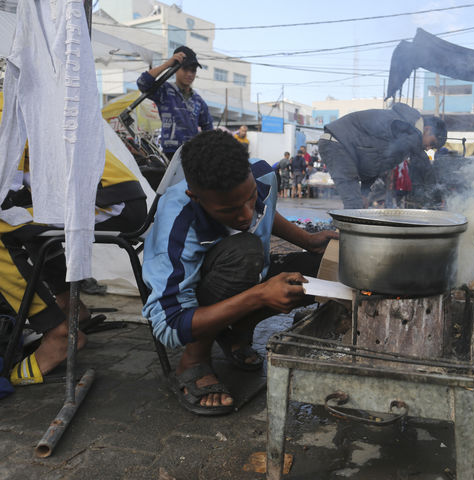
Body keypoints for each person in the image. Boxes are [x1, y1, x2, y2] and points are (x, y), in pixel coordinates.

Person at [141, 130, 337, 415]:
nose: (246, 215)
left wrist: (308, 240)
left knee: (322, 269)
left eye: (249, 199)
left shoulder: (260, 175)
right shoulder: (176, 222)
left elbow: (265, 208)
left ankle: (238, 330)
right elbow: (168, 326)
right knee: (245, 252)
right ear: (195, 197)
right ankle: (194, 360)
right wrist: (259, 296)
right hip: (200, 291)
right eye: (230, 210)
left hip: (249, 273)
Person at [1, 145, 147, 386]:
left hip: (110, 201)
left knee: (3, 227)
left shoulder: (4, 109)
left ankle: (57, 332)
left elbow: (5, 187)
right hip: (113, 194)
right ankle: (70, 306)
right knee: (24, 219)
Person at [318, 103, 446, 208]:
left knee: (359, 204)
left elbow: (376, 166)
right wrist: (437, 199)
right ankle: (346, 238)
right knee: (353, 204)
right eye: (432, 143)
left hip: (343, 148)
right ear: (427, 129)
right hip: (337, 143)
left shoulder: (406, 141)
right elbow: (422, 161)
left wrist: (364, 193)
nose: (428, 148)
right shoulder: (407, 126)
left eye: (432, 148)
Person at [136, 46, 213, 158]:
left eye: (193, 70)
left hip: (193, 155)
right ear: (176, 70)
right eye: (185, 69)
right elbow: (143, 83)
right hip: (171, 153)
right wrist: (167, 65)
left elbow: (209, 128)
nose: (190, 74)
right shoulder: (165, 91)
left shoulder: (198, 100)